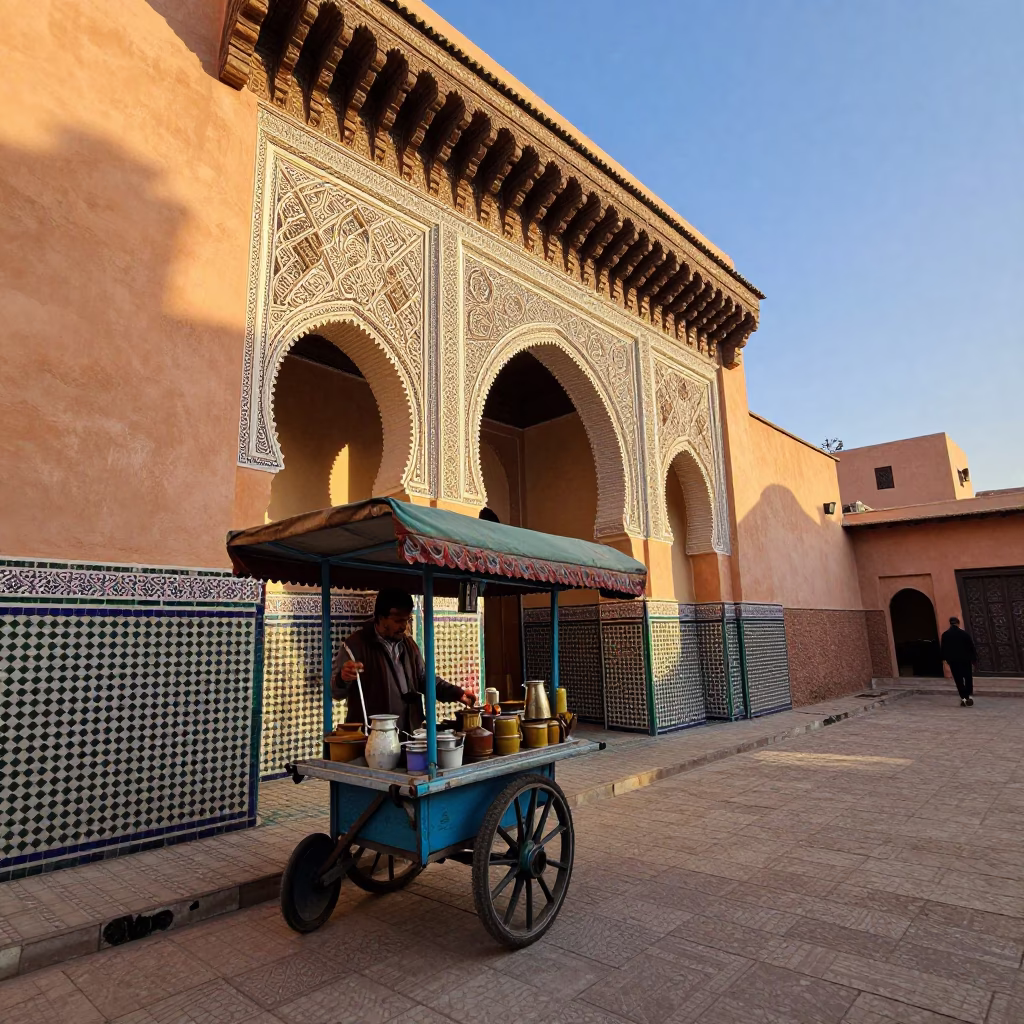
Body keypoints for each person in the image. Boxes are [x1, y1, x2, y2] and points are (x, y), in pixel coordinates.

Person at [331, 588, 474, 734]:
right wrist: (343, 679)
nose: (404, 626)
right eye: (398, 620)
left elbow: (424, 679)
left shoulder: (409, 645)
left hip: (408, 733)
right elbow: (335, 692)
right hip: (373, 737)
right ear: (381, 618)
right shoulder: (355, 646)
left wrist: (457, 693)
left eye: (407, 620)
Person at [940, 615, 977, 707]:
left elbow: (944, 648)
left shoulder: (945, 635)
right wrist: (974, 659)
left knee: (958, 679)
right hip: (965, 659)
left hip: (953, 661)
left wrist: (944, 659)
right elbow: (971, 647)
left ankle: (963, 698)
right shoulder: (964, 634)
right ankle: (968, 695)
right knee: (968, 677)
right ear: (958, 623)